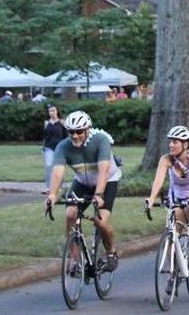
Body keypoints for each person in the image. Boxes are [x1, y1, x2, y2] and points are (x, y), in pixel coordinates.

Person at [44, 111, 123, 273]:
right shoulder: (63, 147)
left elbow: (104, 170)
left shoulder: (100, 141)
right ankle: (74, 260)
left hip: (107, 181)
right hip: (82, 182)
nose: (75, 135)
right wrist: (52, 194)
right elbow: (58, 172)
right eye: (71, 132)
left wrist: (99, 195)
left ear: (88, 130)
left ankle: (111, 252)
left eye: (79, 131)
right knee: (70, 214)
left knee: (100, 222)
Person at [146, 125, 189, 266]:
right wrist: (151, 198)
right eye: (170, 141)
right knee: (171, 234)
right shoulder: (166, 159)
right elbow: (158, 180)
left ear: (185, 144)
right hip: (177, 196)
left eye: (175, 142)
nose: (171, 145)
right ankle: (174, 271)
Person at [42, 105, 69, 194]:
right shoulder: (47, 123)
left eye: (53, 110)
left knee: (59, 167)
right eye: (50, 111)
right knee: (49, 166)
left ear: (57, 111)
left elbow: (66, 136)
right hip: (49, 147)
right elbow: (45, 136)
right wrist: (44, 147)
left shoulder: (62, 122)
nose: (52, 113)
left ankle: (59, 186)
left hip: (59, 148)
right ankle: (48, 187)